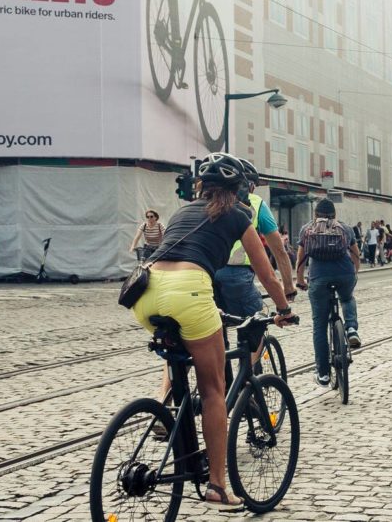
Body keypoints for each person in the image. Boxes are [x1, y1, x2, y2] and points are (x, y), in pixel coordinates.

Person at [130, 153, 293, 510]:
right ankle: (218, 486)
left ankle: (170, 411)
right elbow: (265, 273)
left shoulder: (182, 211)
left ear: (201, 187)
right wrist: (283, 309)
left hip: (146, 293)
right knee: (214, 389)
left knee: (182, 356)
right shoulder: (239, 214)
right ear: (240, 190)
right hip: (189, 292)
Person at [214, 159, 297, 368]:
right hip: (236, 275)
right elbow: (279, 250)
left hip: (203, 275)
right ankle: (246, 384)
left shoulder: (208, 201)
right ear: (248, 184)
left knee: (209, 333)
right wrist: (288, 286)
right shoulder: (255, 203)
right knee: (255, 327)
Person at [296, 199, 362, 385]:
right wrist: (354, 272)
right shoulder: (345, 228)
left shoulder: (307, 229)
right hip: (344, 274)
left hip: (318, 278)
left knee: (319, 325)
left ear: (315, 214)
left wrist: (300, 279)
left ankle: (323, 374)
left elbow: (301, 258)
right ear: (334, 215)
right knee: (347, 298)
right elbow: (356, 254)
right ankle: (350, 329)